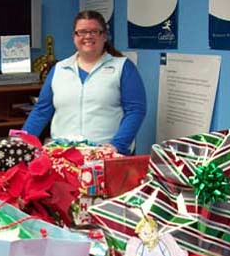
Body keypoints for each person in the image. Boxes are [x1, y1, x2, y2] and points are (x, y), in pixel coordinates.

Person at [23, 10, 147, 156]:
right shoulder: (59, 69)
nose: (88, 36)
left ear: (105, 36)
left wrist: (116, 146)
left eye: (94, 31)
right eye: (81, 32)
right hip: (63, 155)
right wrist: (20, 143)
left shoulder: (123, 67)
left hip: (106, 155)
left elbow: (135, 110)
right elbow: (41, 111)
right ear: (74, 37)